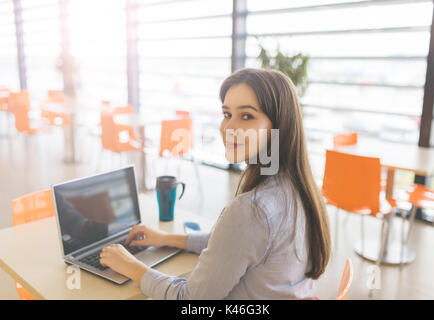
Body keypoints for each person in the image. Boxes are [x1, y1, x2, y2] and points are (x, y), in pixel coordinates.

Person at [99, 68, 331, 299]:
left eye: (247, 116)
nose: (228, 128)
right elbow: (233, 245)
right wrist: (167, 239)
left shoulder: (252, 210)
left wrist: (131, 266)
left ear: (279, 127)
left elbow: (191, 300)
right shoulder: (300, 189)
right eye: (227, 114)